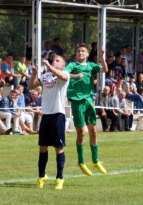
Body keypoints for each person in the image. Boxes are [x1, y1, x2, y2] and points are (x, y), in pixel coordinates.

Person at [64, 43, 108, 176]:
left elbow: (104, 70)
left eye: (83, 51)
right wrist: (75, 76)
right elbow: (64, 74)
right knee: (81, 133)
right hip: (77, 101)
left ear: (88, 54)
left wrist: (101, 56)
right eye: (78, 51)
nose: (81, 53)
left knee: (93, 131)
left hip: (89, 100)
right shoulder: (72, 65)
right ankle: (81, 162)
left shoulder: (91, 66)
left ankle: (95, 161)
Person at [28, 55, 70, 190]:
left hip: (58, 115)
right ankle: (41, 176)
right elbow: (31, 85)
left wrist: (50, 66)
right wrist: (34, 74)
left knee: (58, 148)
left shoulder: (65, 74)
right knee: (42, 147)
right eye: (53, 60)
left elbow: (62, 77)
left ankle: (59, 178)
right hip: (46, 115)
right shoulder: (45, 75)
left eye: (57, 61)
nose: (54, 61)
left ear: (62, 65)